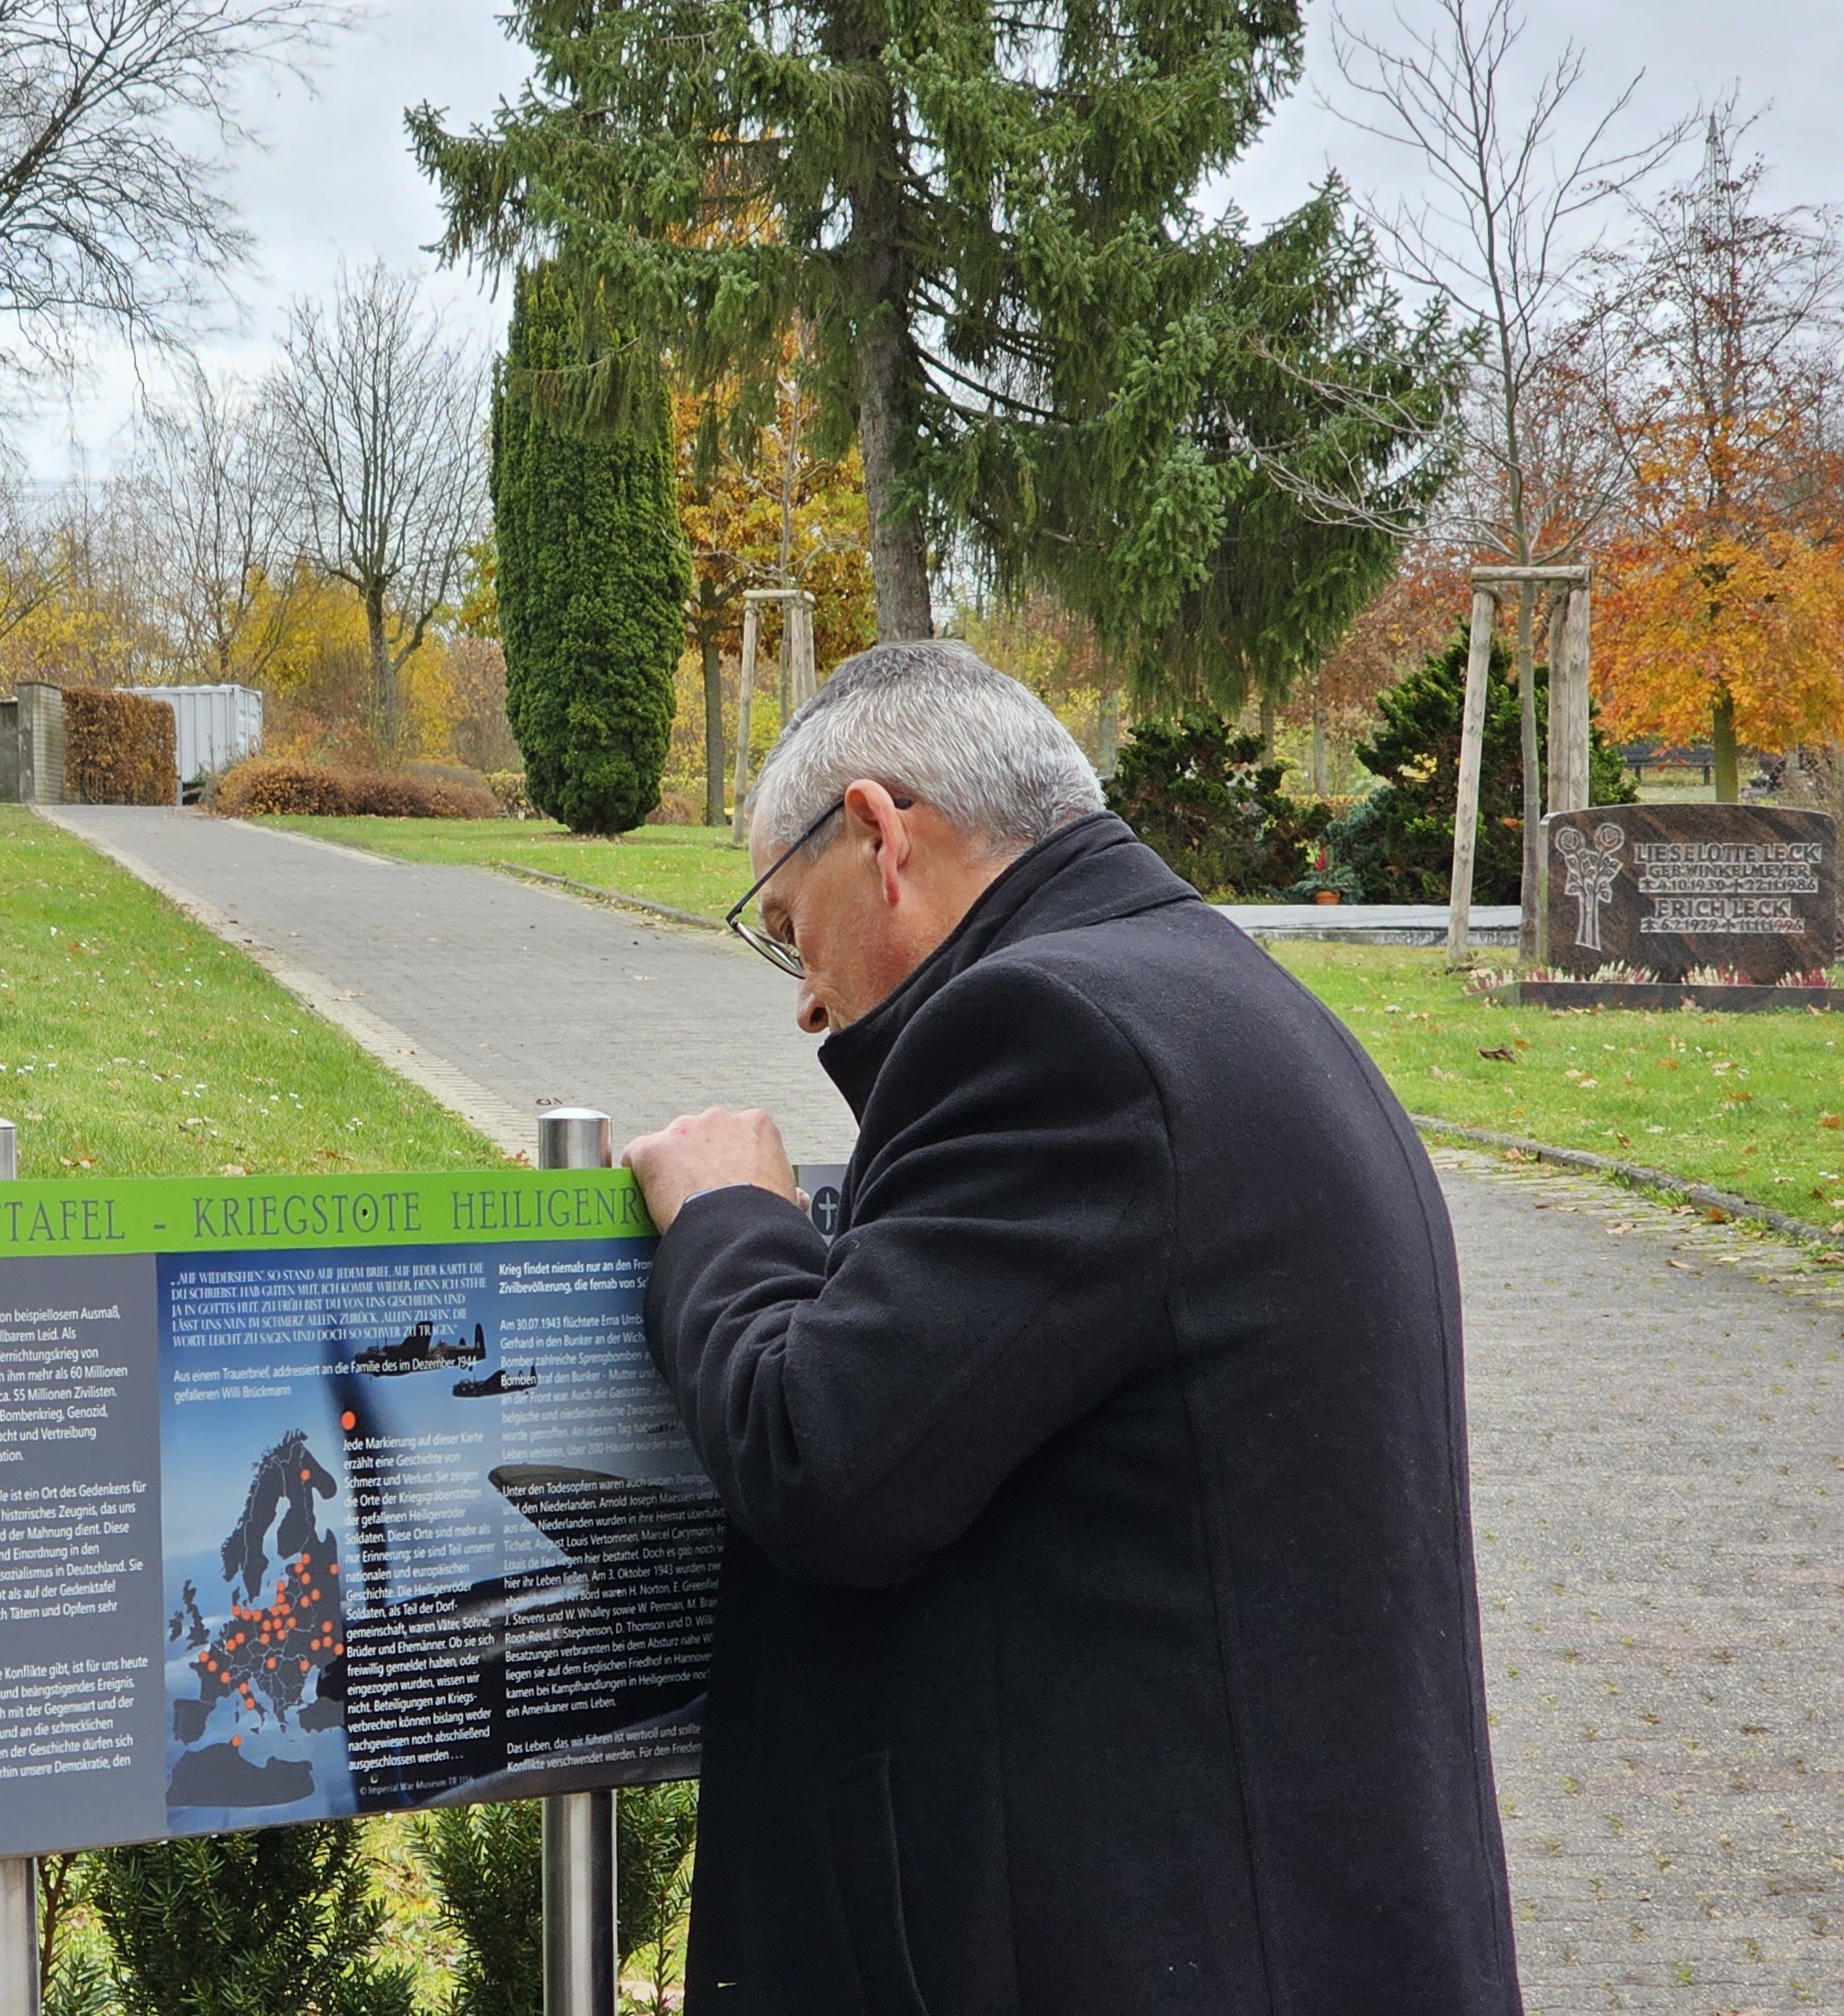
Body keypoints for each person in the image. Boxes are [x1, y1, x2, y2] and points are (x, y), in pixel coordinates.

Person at [619, 641, 1518, 2015]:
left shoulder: (1049, 1032)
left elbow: (826, 1458)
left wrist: (731, 1223)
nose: (802, 1001)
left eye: (791, 926)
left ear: (877, 834)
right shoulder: (1224, 996)